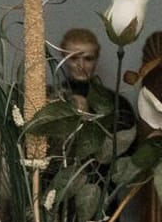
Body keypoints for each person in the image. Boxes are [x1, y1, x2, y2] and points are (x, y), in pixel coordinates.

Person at [54, 27, 137, 157]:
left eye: (88, 58)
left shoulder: (117, 103)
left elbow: (123, 152)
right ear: (63, 58)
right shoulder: (52, 98)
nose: (81, 65)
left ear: (96, 59)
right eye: (73, 58)